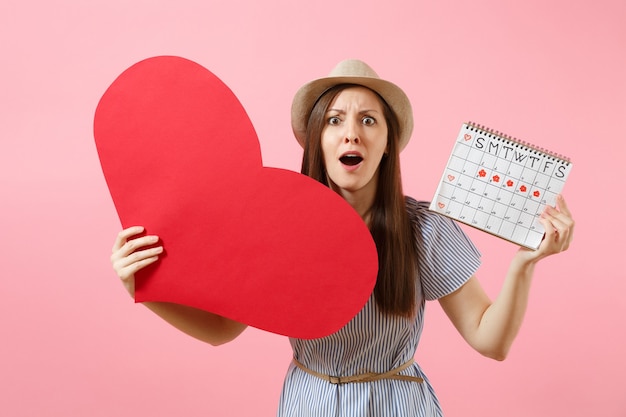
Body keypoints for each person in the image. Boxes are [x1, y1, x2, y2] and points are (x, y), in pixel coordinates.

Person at [110, 59, 574, 416]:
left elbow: (489, 340)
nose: (351, 132)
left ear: (388, 141)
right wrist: (145, 291)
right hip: (308, 404)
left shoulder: (425, 229)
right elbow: (222, 330)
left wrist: (524, 263)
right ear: (316, 141)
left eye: (368, 120)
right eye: (334, 120)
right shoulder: (278, 229)